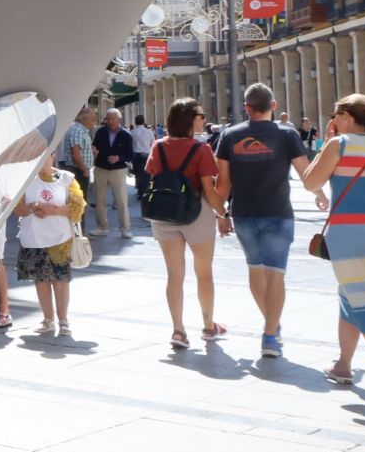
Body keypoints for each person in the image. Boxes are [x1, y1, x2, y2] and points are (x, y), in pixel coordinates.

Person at [215, 82, 321, 359]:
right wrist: (320, 193)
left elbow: (222, 184)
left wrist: (220, 214)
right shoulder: (287, 135)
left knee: (255, 269)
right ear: (273, 107)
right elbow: (305, 173)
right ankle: (270, 334)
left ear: (246, 108)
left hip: (243, 213)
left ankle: (272, 324)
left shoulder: (229, 135)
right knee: (276, 273)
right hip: (278, 213)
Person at [302, 94, 365, 400]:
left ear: (348, 116)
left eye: (337, 115)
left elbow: (309, 180)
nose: (333, 121)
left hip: (348, 235)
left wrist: (325, 143)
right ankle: (343, 365)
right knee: (350, 297)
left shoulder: (339, 144)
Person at [148, 99, 229, 351]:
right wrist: (223, 214)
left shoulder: (158, 146)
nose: (203, 120)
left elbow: (153, 178)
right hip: (196, 214)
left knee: (174, 275)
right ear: (191, 120)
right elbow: (209, 190)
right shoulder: (201, 149)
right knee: (203, 273)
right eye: (201, 115)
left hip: (164, 215)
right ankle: (208, 326)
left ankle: (178, 331)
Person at [16, 155, 85, 337]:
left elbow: (78, 208)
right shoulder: (26, 178)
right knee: (41, 280)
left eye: (45, 156)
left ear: (53, 157)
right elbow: (17, 208)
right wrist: (33, 208)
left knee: (60, 280)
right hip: (34, 237)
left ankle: (63, 321)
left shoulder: (66, 178)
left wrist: (52, 210)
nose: (40, 160)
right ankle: (48, 320)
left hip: (60, 239)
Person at [92, 108, 137, 237]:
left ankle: (125, 228)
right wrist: (94, 149)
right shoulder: (100, 132)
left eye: (113, 119)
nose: (110, 122)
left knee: (121, 200)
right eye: (108, 119)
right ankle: (102, 227)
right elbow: (95, 145)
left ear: (119, 119)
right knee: (100, 199)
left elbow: (130, 155)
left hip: (118, 170)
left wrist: (118, 158)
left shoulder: (126, 135)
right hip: (101, 168)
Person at [59, 106, 95, 229]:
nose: (94, 122)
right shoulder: (78, 130)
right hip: (78, 171)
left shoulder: (79, 130)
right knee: (79, 203)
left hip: (79, 170)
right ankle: (78, 231)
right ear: (85, 119)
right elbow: (75, 154)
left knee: (79, 202)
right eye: (92, 118)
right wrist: (84, 169)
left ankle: (79, 230)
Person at [129, 114, 156, 196]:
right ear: (144, 121)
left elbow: (130, 145)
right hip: (146, 155)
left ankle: (140, 190)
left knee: (137, 174)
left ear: (135, 122)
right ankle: (145, 190)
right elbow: (153, 143)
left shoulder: (131, 132)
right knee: (147, 174)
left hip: (136, 155)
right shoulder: (149, 132)